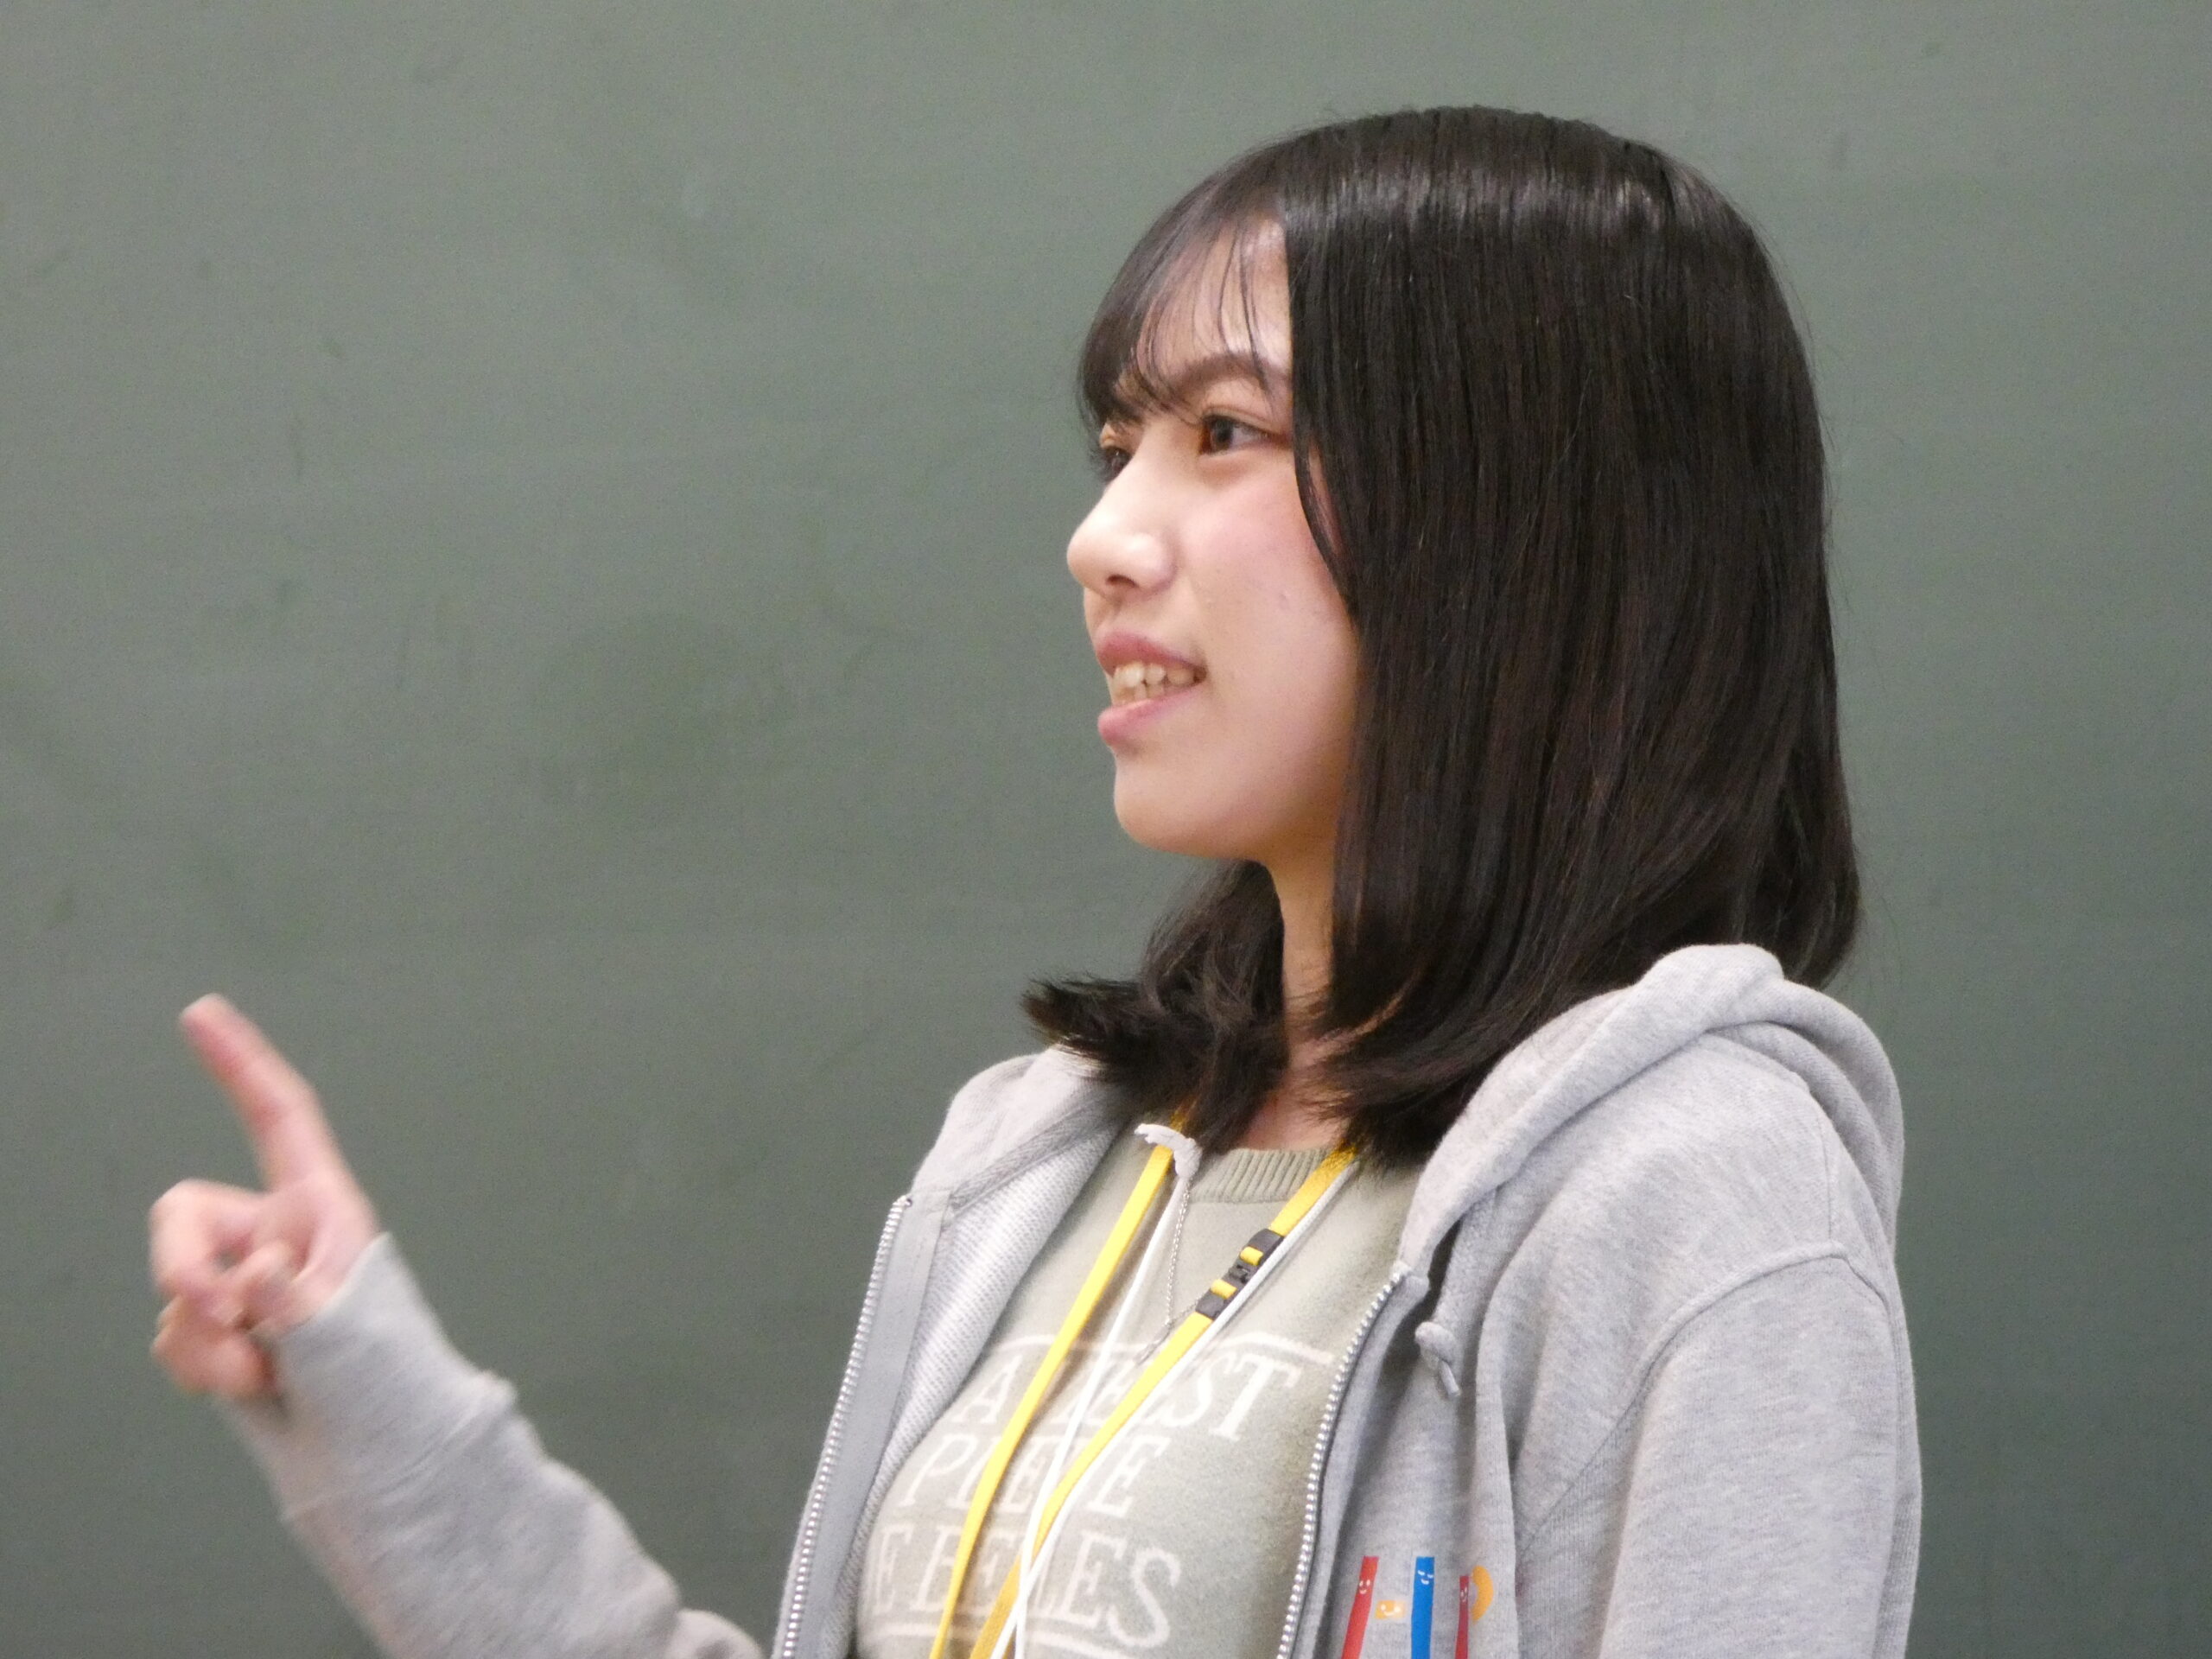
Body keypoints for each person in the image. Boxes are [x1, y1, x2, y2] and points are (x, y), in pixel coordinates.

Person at [148, 105, 1920, 1659]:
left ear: (1516, 518)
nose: (1101, 538)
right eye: (1117, 448)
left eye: (1224, 434)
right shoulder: (1044, 1156)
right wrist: (364, 1390)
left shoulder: (1689, 1193)